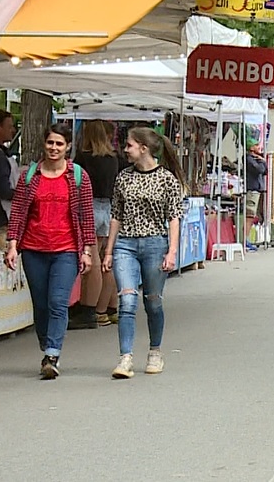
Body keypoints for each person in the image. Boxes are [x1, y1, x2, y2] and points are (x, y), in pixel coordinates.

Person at [4, 123, 96, 380]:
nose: (54, 148)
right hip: (33, 248)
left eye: (59, 144)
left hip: (66, 249)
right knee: (41, 304)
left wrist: (87, 250)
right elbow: (19, 211)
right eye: (50, 143)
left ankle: (52, 354)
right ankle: (47, 342)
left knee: (58, 302)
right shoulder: (30, 175)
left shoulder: (78, 176)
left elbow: (86, 217)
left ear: (68, 147)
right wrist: (12, 244)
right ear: (44, 144)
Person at [104, 128, 186, 379]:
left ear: (143, 148)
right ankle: (125, 357)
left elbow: (174, 217)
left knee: (152, 300)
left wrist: (172, 251)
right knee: (127, 301)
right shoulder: (123, 178)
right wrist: (109, 251)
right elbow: (116, 215)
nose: (125, 149)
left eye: (129, 145)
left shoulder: (166, 179)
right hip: (125, 244)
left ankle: (155, 351)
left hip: (154, 244)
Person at [71, 120, 121, 329]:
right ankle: (108, 307)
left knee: (91, 261)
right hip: (107, 208)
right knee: (105, 260)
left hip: (89, 207)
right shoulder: (114, 158)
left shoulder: (83, 158)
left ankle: (90, 309)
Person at [245, 142, 267, 222]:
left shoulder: (256, 159)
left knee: (256, 216)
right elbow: (259, 170)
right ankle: (246, 234)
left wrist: (262, 161)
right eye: (256, 145)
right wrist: (262, 162)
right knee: (250, 216)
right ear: (251, 148)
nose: (259, 147)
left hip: (258, 190)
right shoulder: (249, 159)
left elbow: (265, 171)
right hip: (252, 191)